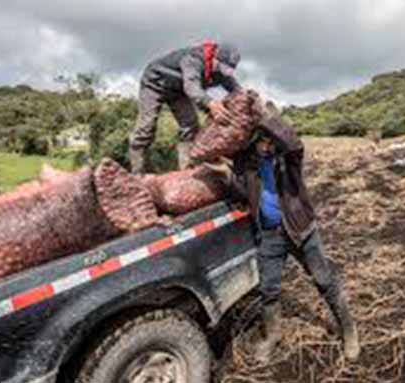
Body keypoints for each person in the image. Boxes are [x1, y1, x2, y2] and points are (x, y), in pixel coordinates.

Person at [206, 109, 361, 363]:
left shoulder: (289, 159)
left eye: (269, 141)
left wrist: (262, 114)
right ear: (254, 143)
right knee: (269, 289)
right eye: (261, 141)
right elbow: (243, 191)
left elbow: (291, 140)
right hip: (269, 236)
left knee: (324, 280)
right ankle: (272, 336)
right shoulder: (250, 167)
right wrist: (225, 174)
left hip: (301, 231)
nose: (266, 146)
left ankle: (348, 330)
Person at [129, 40, 242, 173]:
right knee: (146, 127)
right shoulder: (194, 59)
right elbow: (192, 88)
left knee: (190, 125)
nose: (224, 72)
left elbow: (238, 91)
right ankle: (138, 171)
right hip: (155, 84)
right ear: (215, 59)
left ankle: (187, 171)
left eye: (228, 69)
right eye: (222, 67)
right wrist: (211, 103)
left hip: (178, 91)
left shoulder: (222, 72)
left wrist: (250, 102)